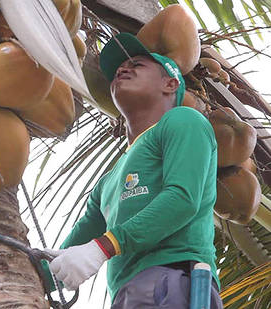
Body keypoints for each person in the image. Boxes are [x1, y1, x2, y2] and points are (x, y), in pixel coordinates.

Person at [43, 33, 224, 308]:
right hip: (128, 292)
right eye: (118, 70)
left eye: (137, 65)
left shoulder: (183, 121)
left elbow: (182, 199)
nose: (123, 69)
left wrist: (102, 248)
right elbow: (73, 245)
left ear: (170, 83)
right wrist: (32, 271)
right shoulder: (107, 183)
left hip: (174, 279)